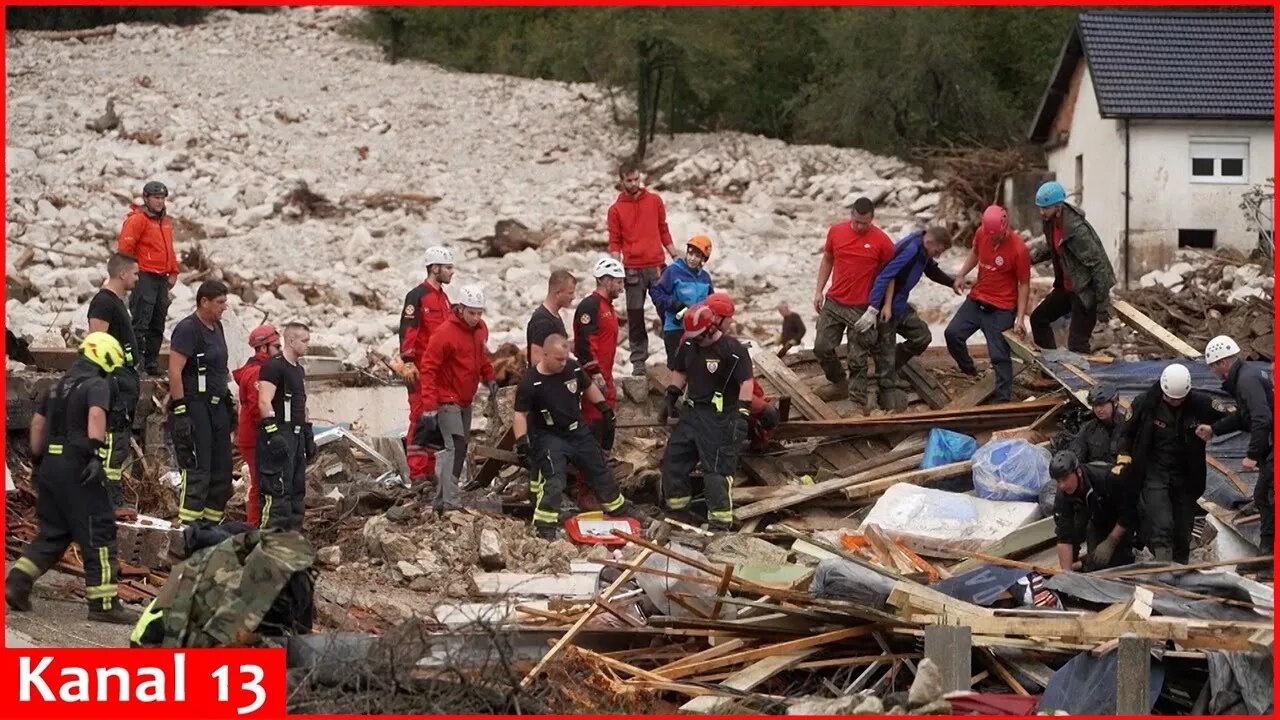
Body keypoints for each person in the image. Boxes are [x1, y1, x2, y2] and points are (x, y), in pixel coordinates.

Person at [5, 332, 137, 623]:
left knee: (55, 532)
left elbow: (37, 426)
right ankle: (104, 605)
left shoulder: (56, 387)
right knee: (98, 529)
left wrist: (39, 462)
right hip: (79, 465)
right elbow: (95, 416)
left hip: (51, 466)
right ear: (104, 360)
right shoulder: (96, 385)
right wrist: (95, 453)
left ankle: (18, 581)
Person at [514, 335, 642, 539]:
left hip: (577, 431)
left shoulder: (572, 369)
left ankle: (618, 508)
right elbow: (520, 414)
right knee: (555, 480)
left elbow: (588, 386)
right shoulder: (531, 382)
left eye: (565, 358)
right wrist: (522, 443)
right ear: (545, 355)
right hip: (549, 435)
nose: (563, 363)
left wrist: (604, 408)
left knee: (599, 469)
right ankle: (544, 525)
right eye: (558, 359)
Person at [659, 293, 755, 531]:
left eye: (700, 336)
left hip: (718, 417)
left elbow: (746, 382)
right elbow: (681, 369)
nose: (696, 341)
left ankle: (719, 523)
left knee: (716, 471)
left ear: (711, 327)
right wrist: (672, 393)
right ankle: (678, 512)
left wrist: (743, 413)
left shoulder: (732, 351)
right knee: (674, 460)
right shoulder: (690, 344)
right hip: (692, 413)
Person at [1115, 363, 1227, 563]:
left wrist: (1214, 428)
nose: (1174, 403)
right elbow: (1126, 432)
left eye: (1179, 400)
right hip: (1154, 471)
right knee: (1162, 523)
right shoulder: (1146, 403)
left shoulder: (1199, 403)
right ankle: (1164, 568)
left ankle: (1180, 565)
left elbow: (1230, 417)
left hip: (1186, 474)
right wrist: (1124, 455)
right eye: (1170, 399)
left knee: (1183, 527)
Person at [857, 226, 957, 411]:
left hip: (899, 305)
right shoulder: (910, 250)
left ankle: (889, 365)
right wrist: (874, 308)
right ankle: (886, 391)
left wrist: (952, 282)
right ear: (930, 242)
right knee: (885, 353)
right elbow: (885, 275)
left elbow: (932, 270)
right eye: (938, 251)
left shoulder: (924, 250)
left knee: (922, 336)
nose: (939, 255)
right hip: (885, 307)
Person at [1199, 335, 1273, 578]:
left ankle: (1269, 558)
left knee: (1266, 497)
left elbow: (1262, 418)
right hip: (1270, 448)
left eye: (1213, 366)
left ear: (1222, 363)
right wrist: (1215, 429)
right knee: (1265, 498)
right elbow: (1244, 417)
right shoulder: (1245, 377)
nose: (1213, 372)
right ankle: (1267, 556)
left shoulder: (1247, 381)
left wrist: (1252, 455)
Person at [812, 196, 896, 411]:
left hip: (863, 306)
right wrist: (819, 290)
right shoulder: (836, 232)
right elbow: (828, 259)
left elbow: (889, 275)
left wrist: (886, 305)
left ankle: (857, 401)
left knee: (858, 356)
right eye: (857, 222)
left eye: (865, 223)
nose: (860, 227)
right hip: (835, 300)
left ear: (872, 219)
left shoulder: (882, 241)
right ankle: (839, 382)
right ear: (851, 215)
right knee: (821, 347)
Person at [420, 285, 496, 512]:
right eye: (472, 313)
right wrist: (429, 407)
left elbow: (481, 356)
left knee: (459, 448)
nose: (476, 318)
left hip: (465, 398)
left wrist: (489, 376)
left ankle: (442, 499)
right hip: (447, 399)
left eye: (479, 313)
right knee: (454, 447)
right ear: (461, 308)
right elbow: (428, 369)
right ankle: (451, 502)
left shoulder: (480, 329)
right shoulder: (444, 334)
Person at [944, 205, 1031, 403]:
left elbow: (1024, 284)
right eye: (990, 235)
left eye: (997, 236)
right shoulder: (982, 233)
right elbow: (975, 253)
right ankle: (969, 369)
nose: (993, 239)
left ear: (1005, 227)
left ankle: (1003, 400)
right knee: (952, 334)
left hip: (1002, 307)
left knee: (1000, 356)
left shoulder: (1019, 249)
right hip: (978, 298)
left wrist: (1020, 318)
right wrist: (961, 274)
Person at [168, 280, 235, 526]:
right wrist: (181, 409)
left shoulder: (217, 328)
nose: (223, 308)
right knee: (199, 468)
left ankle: (210, 526)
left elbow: (220, 368)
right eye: (219, 303)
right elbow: (175, 371)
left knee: (222, 469)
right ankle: (189, 528)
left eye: (224, 302)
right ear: (203, 302)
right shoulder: (188, 329)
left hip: (218, 406)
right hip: (196, 405)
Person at [1028, 181, 1116, 353]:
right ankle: (1052, 366)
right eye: (1040, 208)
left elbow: (1098, 266)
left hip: (1084, 292)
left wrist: (1102, 304)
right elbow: (1053, 247)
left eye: (1045, 208)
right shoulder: (1051, 222)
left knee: (1077, 345)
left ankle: (1084, 380)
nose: (1041, 212)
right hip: (1067, 287)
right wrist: (1031, 258)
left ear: (1058, 206)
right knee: (1038, 319)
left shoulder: (1077, 231)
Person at [607, 162, 678, 376]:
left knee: (667, 311)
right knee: (635, 316)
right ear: (621, 181)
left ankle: (675, 357)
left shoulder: (655, 201)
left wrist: (675, 255)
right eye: (629, 180)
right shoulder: (616, 209)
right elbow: (614, 241)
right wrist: (615, 268)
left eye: (636, 179)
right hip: (631, 270)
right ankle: (639, 362)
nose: (634, 183)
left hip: (657, 266)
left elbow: (663, 228)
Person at [87, 252, 141, 516]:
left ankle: (112, 500)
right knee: (112, 446)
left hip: (125, 381)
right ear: (122, 274)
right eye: (135, 273)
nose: (137, 278)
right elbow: (97, 343)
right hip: (115, 383)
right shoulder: (103, 303)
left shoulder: (118, 302)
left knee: (118, 445)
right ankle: (109, 502)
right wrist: (109, 381)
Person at [398, 245, 454, 483]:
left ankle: (431, 471)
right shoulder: (417, 296)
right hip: (421, 371)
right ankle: (418, 473)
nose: (452, 272)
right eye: (448, 267)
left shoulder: (444, 298)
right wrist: (409, 362)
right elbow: (408, 330)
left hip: (440, 373)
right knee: (420, 419)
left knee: (436, 422)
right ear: (434, 268)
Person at [117, 180, 178, 376]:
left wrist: (173, 271)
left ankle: (151, 363)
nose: (160, 202)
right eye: (156, 198)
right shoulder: (138, 219)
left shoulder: (165, 222)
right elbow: (125, 249)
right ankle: (136, 363)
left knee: (157, 321)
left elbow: (169, 249)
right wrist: (132, 273)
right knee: (141, 321)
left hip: (161, 278)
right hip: (144, 276)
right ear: (146, 198)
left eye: (162, 198)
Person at [256, 323, 313, 531]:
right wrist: (273, 432)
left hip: (296, 437)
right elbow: (264, 401)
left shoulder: (298, 370)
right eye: (304, 340)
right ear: (291, 341)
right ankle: (268, 548)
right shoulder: (274, 366)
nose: (308, 345)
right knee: (277, 495)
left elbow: (302, 404)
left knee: (297, 493)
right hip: (280, 433)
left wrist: (307, 433)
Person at [1050, 450, 1137, 571]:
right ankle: (1080, 565)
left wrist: (1111, 541)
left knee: (1118, 564)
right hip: (1095, 517)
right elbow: (1064, 536)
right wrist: (1066, 574)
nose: (1062, 486)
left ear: (1078, 472)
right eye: (1058, 481)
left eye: (1065, 479)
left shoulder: (1106, 479)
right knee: (1096, 565)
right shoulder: (1063, 492)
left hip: (1122, 516)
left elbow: (1129, 512)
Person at [232, 325, 281, 527]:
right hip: (255, 438)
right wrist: (271, 433)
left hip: (255, 436)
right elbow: (257, 408)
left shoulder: (261, 370)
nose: (280, 352)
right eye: (276, 347)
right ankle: (255, 526)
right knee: (260, 484)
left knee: (261, 483)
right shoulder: (257, 373)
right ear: (263, 348)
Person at [574, 258, 626, 438]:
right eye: (618, 282)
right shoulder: (591, 305)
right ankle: (589, 463)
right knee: (594, 418)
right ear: (605, 280)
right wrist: (594, 372)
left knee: (607, 420)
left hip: (606, 373)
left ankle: (602, 460)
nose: (622, 287)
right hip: (595, 376)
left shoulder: (607, 307)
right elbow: (584, 341)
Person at [650, 235, 715, 369]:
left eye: (697, 256)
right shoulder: (673, 271)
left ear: (704, 259)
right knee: (677, 368)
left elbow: (711, 302)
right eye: (690, 253)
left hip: (699, 331)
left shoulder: (705, 278)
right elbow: (657, 293)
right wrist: (675, 304)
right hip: (676, 328)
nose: (692, 258)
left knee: (698, 368)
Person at [527, 269, 577, 366]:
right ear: (558, 294)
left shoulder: (555, 316)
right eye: (570, 293)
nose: (574, 297)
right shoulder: (542, 321)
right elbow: (537, 360)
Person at [1070, 383, 1127, 465]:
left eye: (1102, 405)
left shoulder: (1129, 426)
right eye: (1095, 406)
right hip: (1096, 474)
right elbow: (1077, 456)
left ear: (1115, 403)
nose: (1098, 410)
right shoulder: (1088, 428)